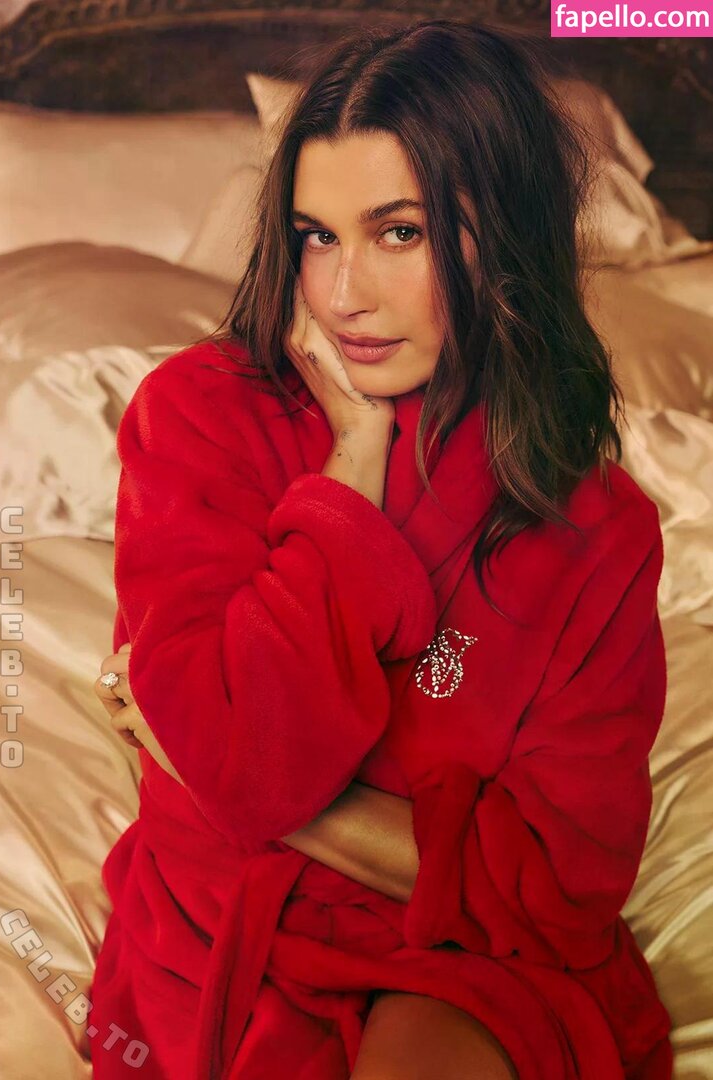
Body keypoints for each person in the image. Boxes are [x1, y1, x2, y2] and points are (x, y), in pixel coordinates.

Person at [89, 17, 673, 1080]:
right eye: (316, 236)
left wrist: (232, 773)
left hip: (466, 960)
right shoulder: (200, 417)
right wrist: (347, 481)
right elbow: (243, 762)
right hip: (224, 937)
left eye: (398, 233)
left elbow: (560, 888)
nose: (343, 294)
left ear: (502, 235)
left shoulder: (597, 525)